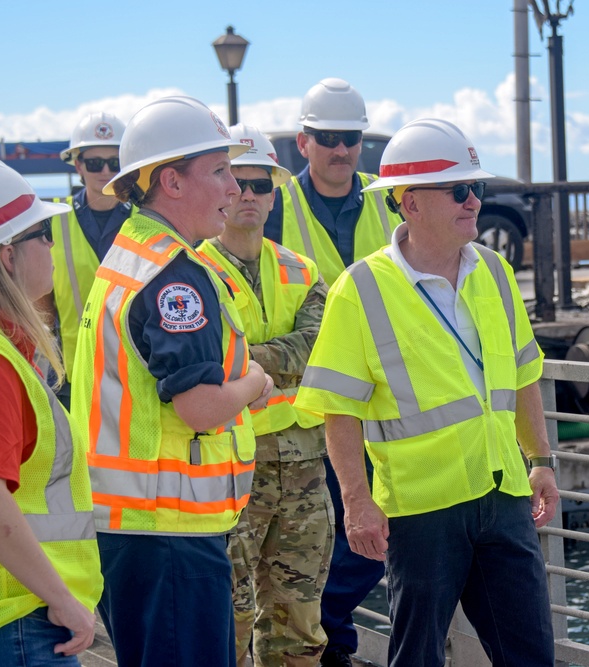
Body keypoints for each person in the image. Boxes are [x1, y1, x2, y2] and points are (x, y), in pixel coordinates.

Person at [294, 118, 559, 667]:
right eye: (459, 190)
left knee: (531, 654)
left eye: (476, 189)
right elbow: (337, 409)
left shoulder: (496, 270)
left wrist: (541, 460)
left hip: (503, 493)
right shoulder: (360, 289)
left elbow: (524, 372)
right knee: (417, 656)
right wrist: (356, 503)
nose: (473, 202)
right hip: (421, 508)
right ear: (409, 203)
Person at [71, 96, 273, 667]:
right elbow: (202, 408)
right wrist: (254, 383)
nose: (236, 188)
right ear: (171, 183)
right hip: (169, 528)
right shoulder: (174, 273)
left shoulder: (132, 250)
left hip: (133, 525)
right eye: (219, 171)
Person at [263, 76, 402, 667]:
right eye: (327, 139)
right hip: (307, 411)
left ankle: (326, 626)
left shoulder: (388, 196)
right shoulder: (274, 204)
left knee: (378, 530)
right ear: (304, 142)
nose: (341, 150)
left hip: (389, 401)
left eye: (351, 138)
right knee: (320, 543)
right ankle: (332, 648)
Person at [199, 125, 333, 665]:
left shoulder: (303, 270)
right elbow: (208, 359)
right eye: (238, 181)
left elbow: (320, 346)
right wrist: (276, 359)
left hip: (303, 467)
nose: (248, 194)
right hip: (228, 469)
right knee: (225, 623)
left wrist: (249, 360)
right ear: (223, 188)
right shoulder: (192, 273)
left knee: (299, 624)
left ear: (275, 192)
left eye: (260, 184)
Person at [0, 156, 103, 665]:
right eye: (43, 233)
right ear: (8, 257)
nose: (55, 246)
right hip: (21, 619)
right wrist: (63, 600)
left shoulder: (4, 352)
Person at [49, 112, 133, 407]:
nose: (106, 170)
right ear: (78, 165)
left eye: (115, 162)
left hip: (136, 374)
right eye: (95, 163)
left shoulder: (147, 219)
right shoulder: (52, 220)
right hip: (72, 378)